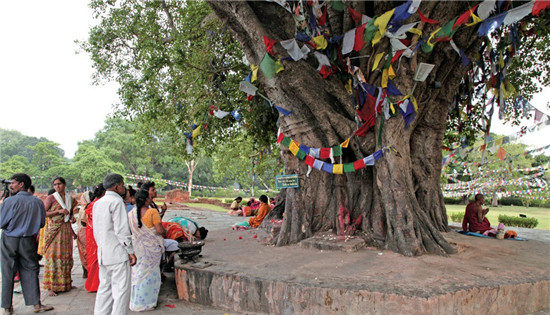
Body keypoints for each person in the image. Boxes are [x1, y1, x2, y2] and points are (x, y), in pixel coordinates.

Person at [0, 173, 54, 314]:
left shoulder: (9, 202)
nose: (11, 185)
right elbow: (41, 223)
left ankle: (7, 307)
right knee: (31, 270)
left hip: (9, 239)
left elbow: (1, 222)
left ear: (21, 184)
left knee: (7, 272)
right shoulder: (37, 202)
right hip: (28, 240)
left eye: (13, 183)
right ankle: (36, 304)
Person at [93, 174, 136, 315]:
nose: (124, 188)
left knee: (104, 290)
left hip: (103, 253)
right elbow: (122, 230)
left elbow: (97, 230)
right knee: (121, 292)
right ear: (117, 186)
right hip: (117, 253)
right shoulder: (117, 202)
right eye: (122, 185)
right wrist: (130, 251)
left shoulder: (98, 203)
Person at [128, 189, 165, 311]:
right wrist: (165, 231)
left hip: (138, 248)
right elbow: (159, 230)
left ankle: (136, 302)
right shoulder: (152, 212)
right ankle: (147, 302)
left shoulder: (131, 213)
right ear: (146, 200)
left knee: (138, 273)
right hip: (151, 249)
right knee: (151, 275)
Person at [42, 177, 76, 297]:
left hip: (65, 231)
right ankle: (51, 286)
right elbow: (44, 213)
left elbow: (71, 213)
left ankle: (66, 283)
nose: (57, 186)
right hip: (54, 231)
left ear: (64, 185)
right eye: (55, 184)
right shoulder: (51, 198)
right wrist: (58, 212)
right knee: (53, 257)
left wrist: (72, 218)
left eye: (59, 184)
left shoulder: (69, 199)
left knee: (66, 257)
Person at [85, 184, 106, 292]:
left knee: (93, 259)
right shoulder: (99, 204)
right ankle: (95, 284)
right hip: (97, 234)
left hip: (91, 234)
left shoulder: (93, 203)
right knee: (97, 259)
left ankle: (93, 284)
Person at [77, 191, 92, 279]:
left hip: (81, 232)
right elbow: (84, 222)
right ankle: (88, 271)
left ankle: (86, 271)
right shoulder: (86, 208)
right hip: (85, 232)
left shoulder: (82, 208)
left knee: (83, 252)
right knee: (86, 252)